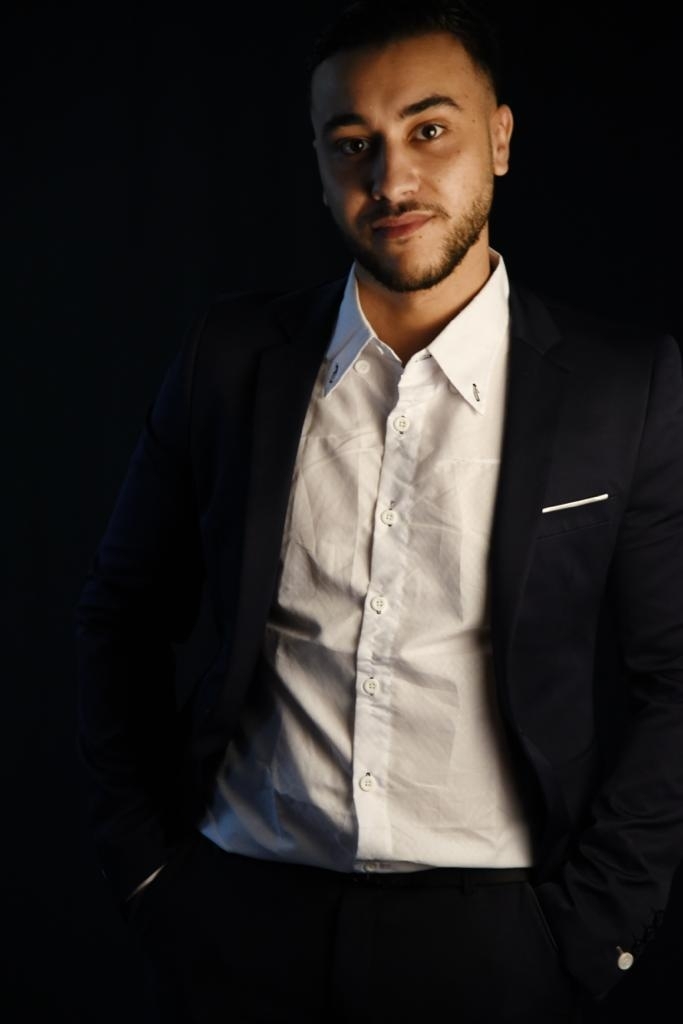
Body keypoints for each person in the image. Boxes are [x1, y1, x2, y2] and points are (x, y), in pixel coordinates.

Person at [74, 1, 683, 1021]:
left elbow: (669, 677)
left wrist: (595, 931)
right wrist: (149, 875)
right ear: (319, 167)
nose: (391, 181)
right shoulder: (228, 360)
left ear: (499, 137)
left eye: (428, 130)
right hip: (238, 922)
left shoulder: (622, 388)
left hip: (498, 942)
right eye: (352, 144)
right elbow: (122, 615)